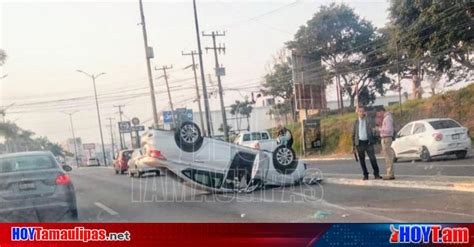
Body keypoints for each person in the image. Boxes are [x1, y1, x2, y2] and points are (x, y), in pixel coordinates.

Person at [352, 106, 382, 180]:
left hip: (368, 142)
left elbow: (372, 130)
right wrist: (353, 145)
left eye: (363, 111)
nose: (362, 113)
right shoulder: (355, 122)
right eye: (360, 111)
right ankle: (365, 175)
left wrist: (367, 114)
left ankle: (376, 174)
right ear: (357, 113)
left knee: (373, 158)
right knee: (362, 160)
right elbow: (353, 134)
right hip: (360, 143)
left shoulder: (368, 121)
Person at [378, 107, 395, 180]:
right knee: (387, 157)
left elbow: (388, 130)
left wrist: (380, 129)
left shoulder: (387, 118)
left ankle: (390, 174)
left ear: (382, 111)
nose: (379, 115)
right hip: (386, 138)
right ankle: (390, 173)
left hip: (386, 138)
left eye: (379, 113)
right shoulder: (387, 118)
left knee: (388, 157)